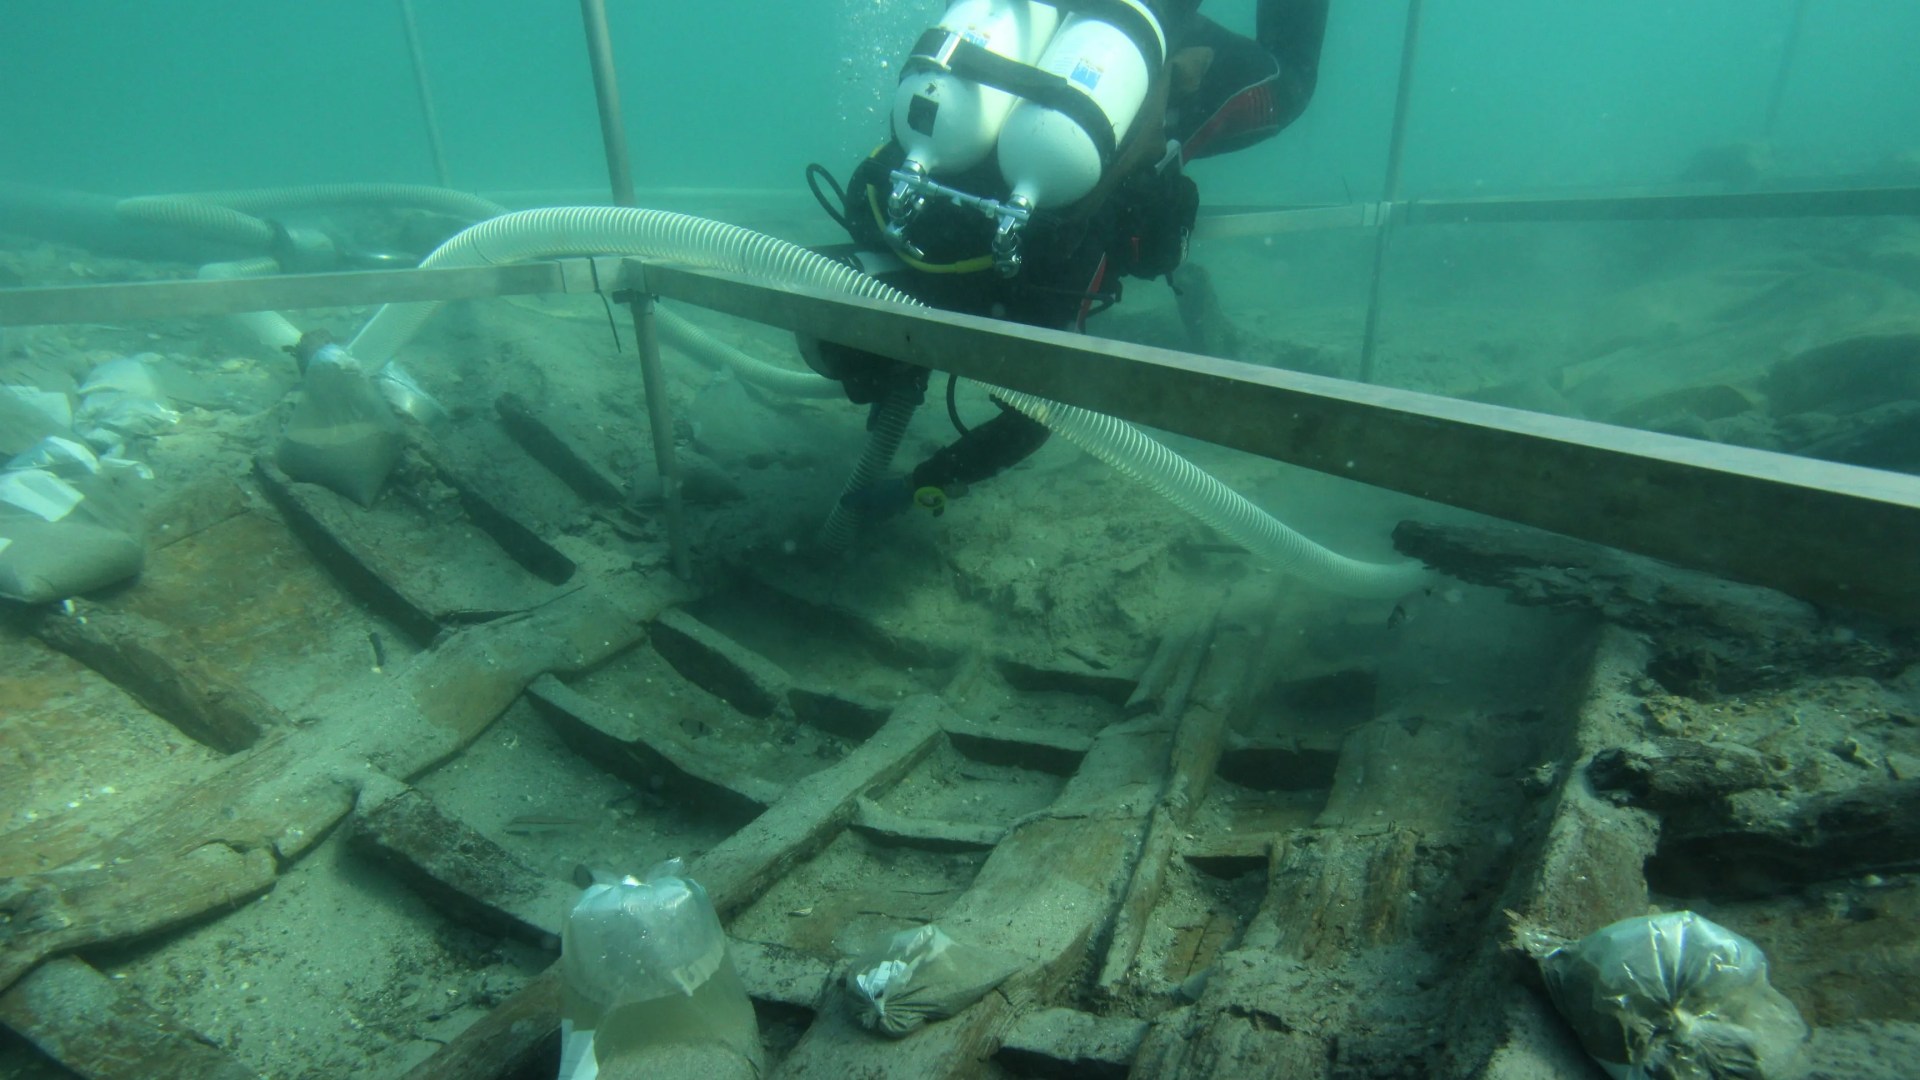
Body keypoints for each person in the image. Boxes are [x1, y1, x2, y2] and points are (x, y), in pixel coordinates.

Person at [808, 0, 1329, 516]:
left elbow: (1036, 415)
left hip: (1169, 60)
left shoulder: (1037, 271)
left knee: (1290, 84)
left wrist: (922, 485)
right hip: (1067, 31)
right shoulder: (878, 202)